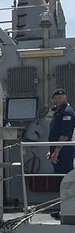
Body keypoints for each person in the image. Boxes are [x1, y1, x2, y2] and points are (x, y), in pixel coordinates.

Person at [47, 88, 75, 216]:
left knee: (65, 180)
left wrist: (56, 151)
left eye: (61, 97)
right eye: (56, 98)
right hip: (59, 151)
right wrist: (51, 151)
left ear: (65, 98)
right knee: (60, 181)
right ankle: (63, 208)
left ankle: (66, 209)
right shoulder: (59, 112)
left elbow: (64, 135)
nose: (58, 100)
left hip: (64, 153)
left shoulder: (67, 113)